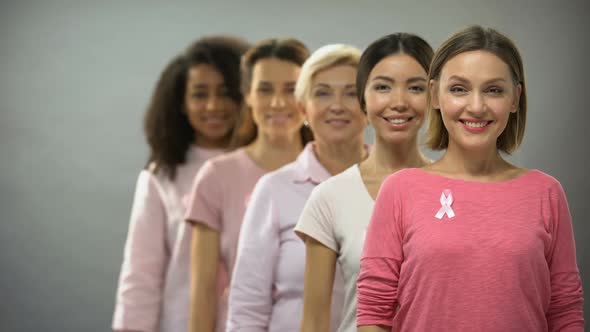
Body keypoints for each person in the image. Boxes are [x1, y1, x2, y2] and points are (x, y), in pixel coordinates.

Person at [357, 25, 584, 331]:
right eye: (459, 89)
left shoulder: (546, 193)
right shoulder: (400, 190)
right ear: (435, 95)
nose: (476, 107)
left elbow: (565, 310)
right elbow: (374, 310)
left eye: (493, 90)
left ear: (515, 99)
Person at [295, 33, 433, 332]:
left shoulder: (457, 189)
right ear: (363, 100)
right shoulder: (330, 196)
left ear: (434, 97)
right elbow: (314, 321)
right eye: (382, 87)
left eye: (415, 88)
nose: (398, 102)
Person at [112, 36, 249, 332]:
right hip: (182, 322)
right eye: (200, 94)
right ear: (182, 104)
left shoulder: (267, 167)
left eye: (226, 92)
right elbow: (141, 274)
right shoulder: (162, 177)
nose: (213, 105)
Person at [227, 44, 367, 331]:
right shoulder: (274, 189)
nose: (337, 105)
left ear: (370, 105)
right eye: (323, 93)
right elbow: (247, 309)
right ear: (303, 108)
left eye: (351, 93)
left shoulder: (397, 185)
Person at [185, 38, 311, 332]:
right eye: (265, 89)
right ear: (248, 95)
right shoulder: (217, 176)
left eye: (290, 89)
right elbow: (204, 291)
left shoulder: (334, 174)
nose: (278, 102)